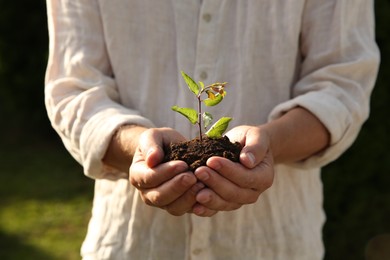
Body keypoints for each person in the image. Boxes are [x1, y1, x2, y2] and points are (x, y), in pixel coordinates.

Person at [45, 1, 379, 259]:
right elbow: (74, 90)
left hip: (272, 244)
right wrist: (139, 149)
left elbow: (342, 84)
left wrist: (267, 145)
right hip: (134, 245)